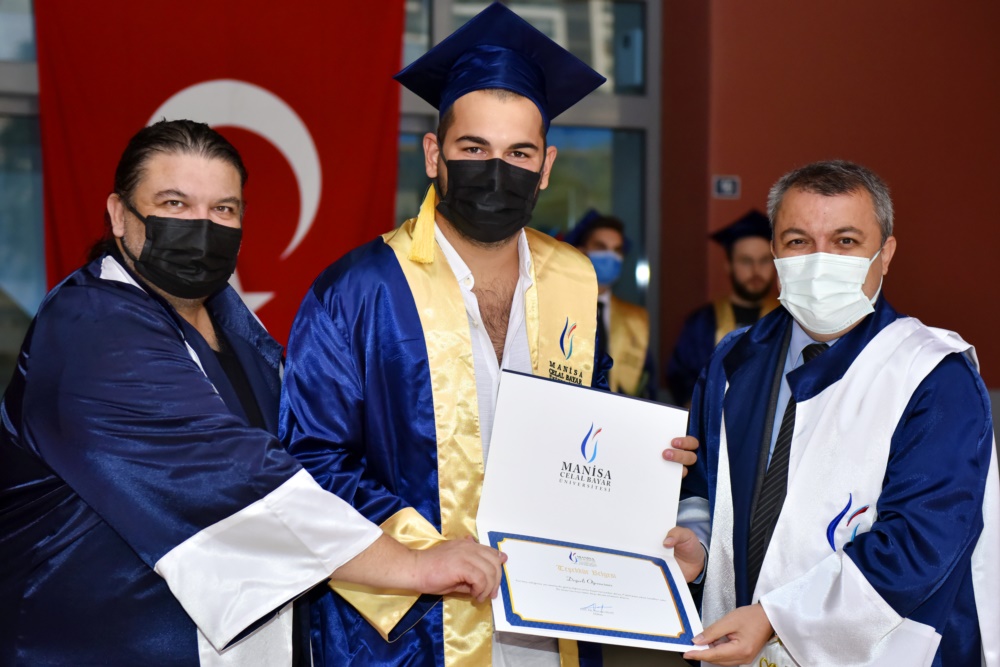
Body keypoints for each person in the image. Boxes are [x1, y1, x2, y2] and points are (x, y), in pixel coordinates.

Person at [0, 119, 506, 666]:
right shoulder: (92, 328)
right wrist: (413, 565)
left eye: (223, 209)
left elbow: (309, 456)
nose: (202, 225)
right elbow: (227, 473)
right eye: (174, 203)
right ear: (120, 215)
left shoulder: (233, 327)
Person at [279, 4, 697, 666]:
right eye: (474, 149)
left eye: (518, 153)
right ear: (434, 154)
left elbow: (586, 425)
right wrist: (425, 554)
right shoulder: (358, 291)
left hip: (551, 617)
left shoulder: (574, 279)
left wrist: (641, 470)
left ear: (546, 165)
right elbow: (310, 461)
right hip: (411, 628)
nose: (497, 171)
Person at [665, 160, 999, 666]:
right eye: (798, 241)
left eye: (845, 241)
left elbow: (920, 544)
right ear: (775, 252)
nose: (820, 261)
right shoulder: (734, 360)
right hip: (733, 644)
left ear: (886, 253)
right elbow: (704, 485)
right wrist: (699, 550)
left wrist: (777, 619)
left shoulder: (932, 376)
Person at [666, 210, 778, 406]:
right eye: (746, 261)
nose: (756, 271)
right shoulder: (701, 324)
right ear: (729, 265)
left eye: (764, 260)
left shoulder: (787, 319)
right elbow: (681, 379)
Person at [565, 209, 656, 398]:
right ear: (581, 251)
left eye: (617, 250)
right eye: (601, 247)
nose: (611, 256)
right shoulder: (559, 307)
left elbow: (647, 380)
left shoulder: (635, 319)